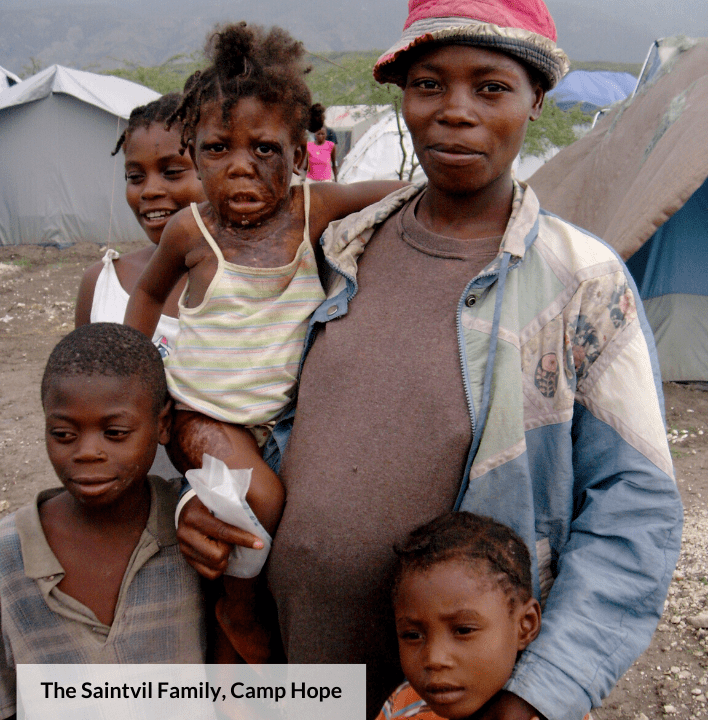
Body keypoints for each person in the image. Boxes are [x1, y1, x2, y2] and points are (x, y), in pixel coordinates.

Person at [176, 1, 683, 718]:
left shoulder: (580, 282)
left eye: (491, 88)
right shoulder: (337, 248)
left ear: (536, 102)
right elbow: (229, 385)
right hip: (294, 667)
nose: (455, 111)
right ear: (404, 98)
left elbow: (635, 515)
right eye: (429, 85)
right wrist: (206, 487)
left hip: (457, 699)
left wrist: (538, 697)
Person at [123, 21, 406, 664]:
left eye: (266, 149)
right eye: (219, 149)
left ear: (303, 147)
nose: (241, 167)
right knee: (262, 503)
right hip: (202, 413)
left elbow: (396, 193)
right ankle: (237, 609)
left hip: (281, 422)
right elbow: (144, 295)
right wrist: (136, 375)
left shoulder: (312, 210)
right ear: (193, 152)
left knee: (314, 521)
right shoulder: (190, 231)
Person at [0, 323, 206, 720]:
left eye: (115, 433)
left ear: (163, 424)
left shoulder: (193, 531)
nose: (87, 452)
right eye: (63, 434)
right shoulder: (9, 557)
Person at [378, 512, 589, 720]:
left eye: (463, 630)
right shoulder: (401, 705)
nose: (434, 659)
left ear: (525, 625)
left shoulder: (556, 711)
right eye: (412, 635)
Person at [75, 93, 206, 358]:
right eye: (135, 177)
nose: (149, 191)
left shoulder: (251, 279)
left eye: (171, 172)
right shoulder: (101, 284)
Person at [306, 105, 337, 182]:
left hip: (326, 179)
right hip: (311, 178)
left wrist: (336, 180)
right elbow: (305, 164)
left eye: (323, 134)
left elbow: (334, 163)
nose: (320, 136)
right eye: (318, 134)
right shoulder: (308, 144)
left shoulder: (331, 144)